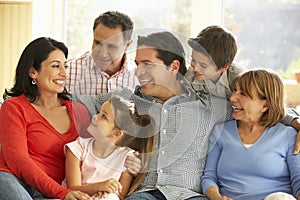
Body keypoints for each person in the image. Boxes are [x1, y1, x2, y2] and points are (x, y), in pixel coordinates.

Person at [74, 31, 300, 200]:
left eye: (147, 64)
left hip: (190, 195)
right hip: (146, 194)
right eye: (136, 64)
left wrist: (295, 121)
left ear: (173, 67)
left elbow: (258, 104)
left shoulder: (209, 105)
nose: (137, 71)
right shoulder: (128, 103)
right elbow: (69, 100)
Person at [0, 37, 92, 199]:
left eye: (65, 66)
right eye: (56, 66)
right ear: (33, 72)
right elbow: (18, 161)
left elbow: (93, 155)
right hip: (13, 179)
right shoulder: (14, 107)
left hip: (51, 190)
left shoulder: (79, 112)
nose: (63, 73)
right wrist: (62, 193)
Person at [201, 69, 300, 200]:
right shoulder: (220, 132)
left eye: (243, 94)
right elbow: (209, 177)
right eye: (235, 90)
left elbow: (298, 181)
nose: (232, 98)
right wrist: (217, 197)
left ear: (265, 105)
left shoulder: (288, 135)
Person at [63, 95, 156, 200]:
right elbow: (72, 189)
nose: (94, 116)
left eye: (103, 116)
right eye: (99, 112)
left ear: (116, 134)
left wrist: (105, 193)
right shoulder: (79, 147)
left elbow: (120, 196)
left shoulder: (127, 158)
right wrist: (98, 187)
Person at [66, 10, 139, 95]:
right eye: (98, 43)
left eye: (111, 46)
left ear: (127, 45)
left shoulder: (141, 76)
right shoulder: (67, 72)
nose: (103, 54)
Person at [184, 25, 244, 99]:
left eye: (203, 65)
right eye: (193, 60)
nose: (195, 68)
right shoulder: (190, 76)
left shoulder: (239, 79)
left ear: (224, 67)